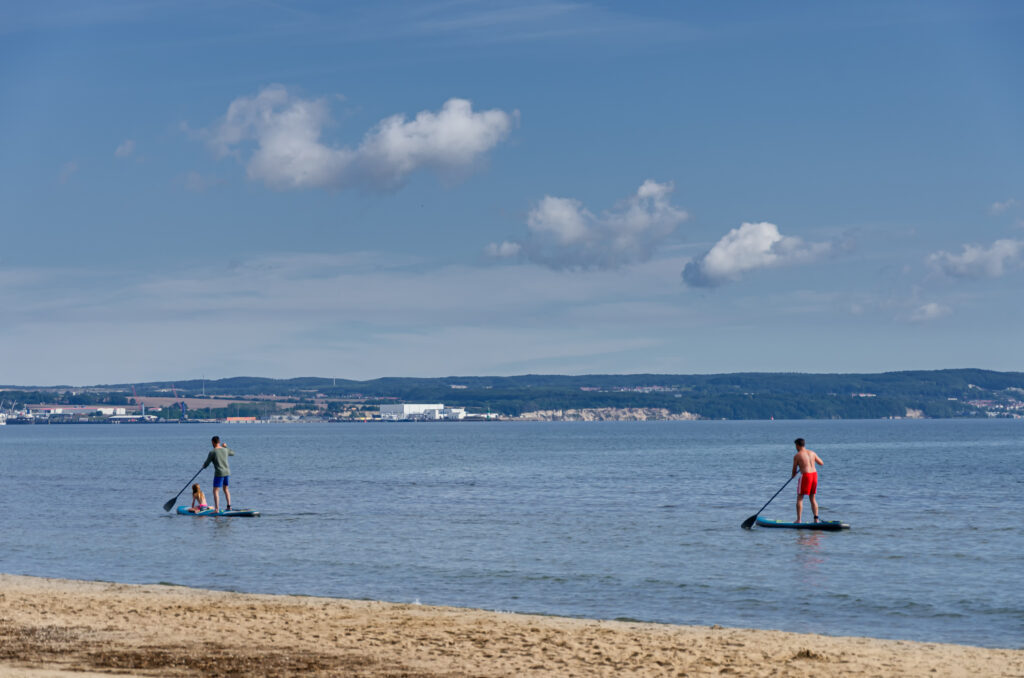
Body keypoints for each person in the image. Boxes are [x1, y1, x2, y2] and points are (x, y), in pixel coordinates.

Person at [791, 438, 824, 523]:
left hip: (806, 476)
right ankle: (816, 519)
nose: (795, 447)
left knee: (800, 498)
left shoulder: (797, 455)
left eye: (795, 445)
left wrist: (793, 475)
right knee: (812, 498)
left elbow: (794, 470)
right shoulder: (812, 453)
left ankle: (799, 520)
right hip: (814, 475)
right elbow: (821, 463)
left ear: (798, 445)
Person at [202, 435, 235, 512]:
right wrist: (226, 447)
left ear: (213, 442)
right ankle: (229, 506)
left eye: (212, 443)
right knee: (226, 489)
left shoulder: (212, 452)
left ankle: (216, 509)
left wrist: (204, 466)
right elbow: (232, 453)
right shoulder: (225, 450)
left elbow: (207, 463)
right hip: (227, 472)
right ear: (219, 442)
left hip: (219, 473)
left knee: (215, 491)